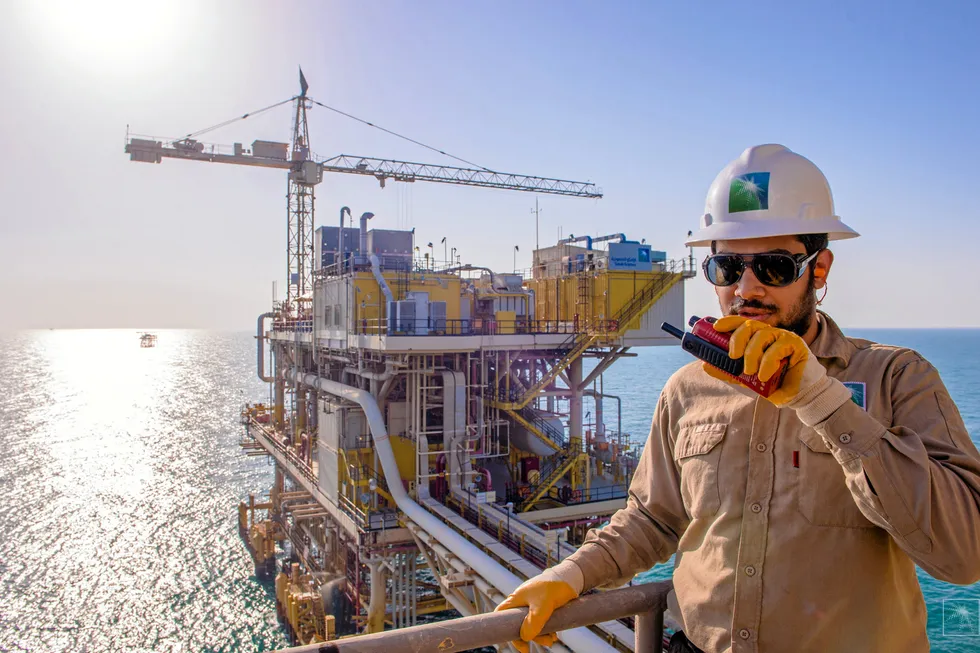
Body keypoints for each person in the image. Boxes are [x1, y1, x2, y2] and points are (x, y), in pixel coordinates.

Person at [495, 144, 980, 653]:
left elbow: (964, 552)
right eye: (727, 267)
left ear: (820, 269)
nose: (746, 288)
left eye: (774, 266)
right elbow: (652, 517)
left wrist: (822, 402)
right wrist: (571, 575)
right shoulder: (686, 389)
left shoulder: (895, 377)